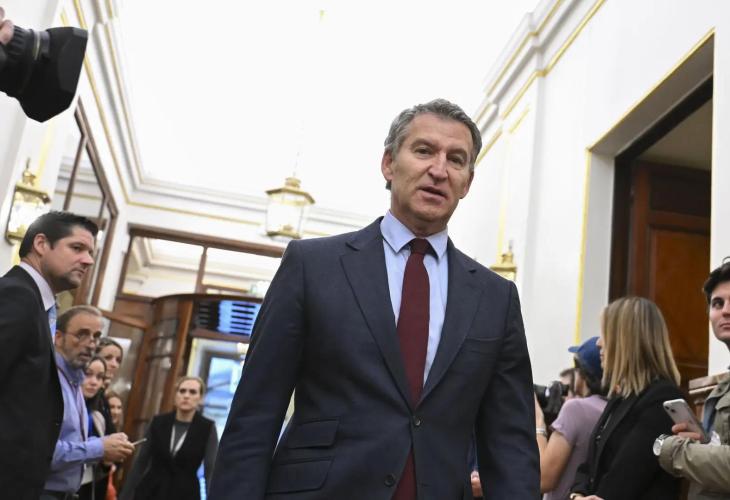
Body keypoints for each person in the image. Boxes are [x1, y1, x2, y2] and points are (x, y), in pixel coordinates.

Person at [209, 99, 539, 499]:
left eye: (456, 159)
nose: (439, 170)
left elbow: (510, 444)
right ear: (388, 164)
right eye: (424, 151)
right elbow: (254, 416)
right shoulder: (312, 266)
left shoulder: (496, 298)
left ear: (467, 183)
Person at [0, 211, 98, 499]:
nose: (88, 260)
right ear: (41, 244)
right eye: (77, 248)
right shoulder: (17, 296)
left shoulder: (36, 303)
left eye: (90, 252)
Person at [569, 297, 683, 500]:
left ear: (626, 341)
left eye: (605, 334)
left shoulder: (661, 398)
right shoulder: (620, 397)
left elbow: (629, 473)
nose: (598, 343)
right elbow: (588, 466)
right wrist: (577, 495)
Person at [43, 305, 134, 500]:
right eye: (82, 334)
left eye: (96, 336)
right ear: (58, 337)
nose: (90, 343)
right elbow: (40, 452)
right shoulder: (48, 380)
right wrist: (99, 448)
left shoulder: (75, 383)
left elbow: (71, 443)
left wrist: (108, 445)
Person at [657, 258, 730, 498]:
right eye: (717, 303)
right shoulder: (722, 388)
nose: (725, 311)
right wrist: (702, 444)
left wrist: (672, 450)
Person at [121, 376, 218, 500]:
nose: (186, 396)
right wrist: (125, 496)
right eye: (182, 391)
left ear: (200, 398)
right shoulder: (158, 422)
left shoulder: (207, 428)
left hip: (185, 493)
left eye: (192, 392)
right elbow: (141, 462)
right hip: (151, 491)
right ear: (175, 396)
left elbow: (211, 469)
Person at [536, 337, 607, 500]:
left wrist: (538, 421)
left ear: (582, 375)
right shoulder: (612, 410)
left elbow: (543, 480)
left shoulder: (576, 409)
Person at [79, 355, 111, 500]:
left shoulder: (98, 417)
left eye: (99, 377)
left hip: (87, 485)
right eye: (88, 374)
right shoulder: (65, 406)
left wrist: (107, 459)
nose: (94, 382)